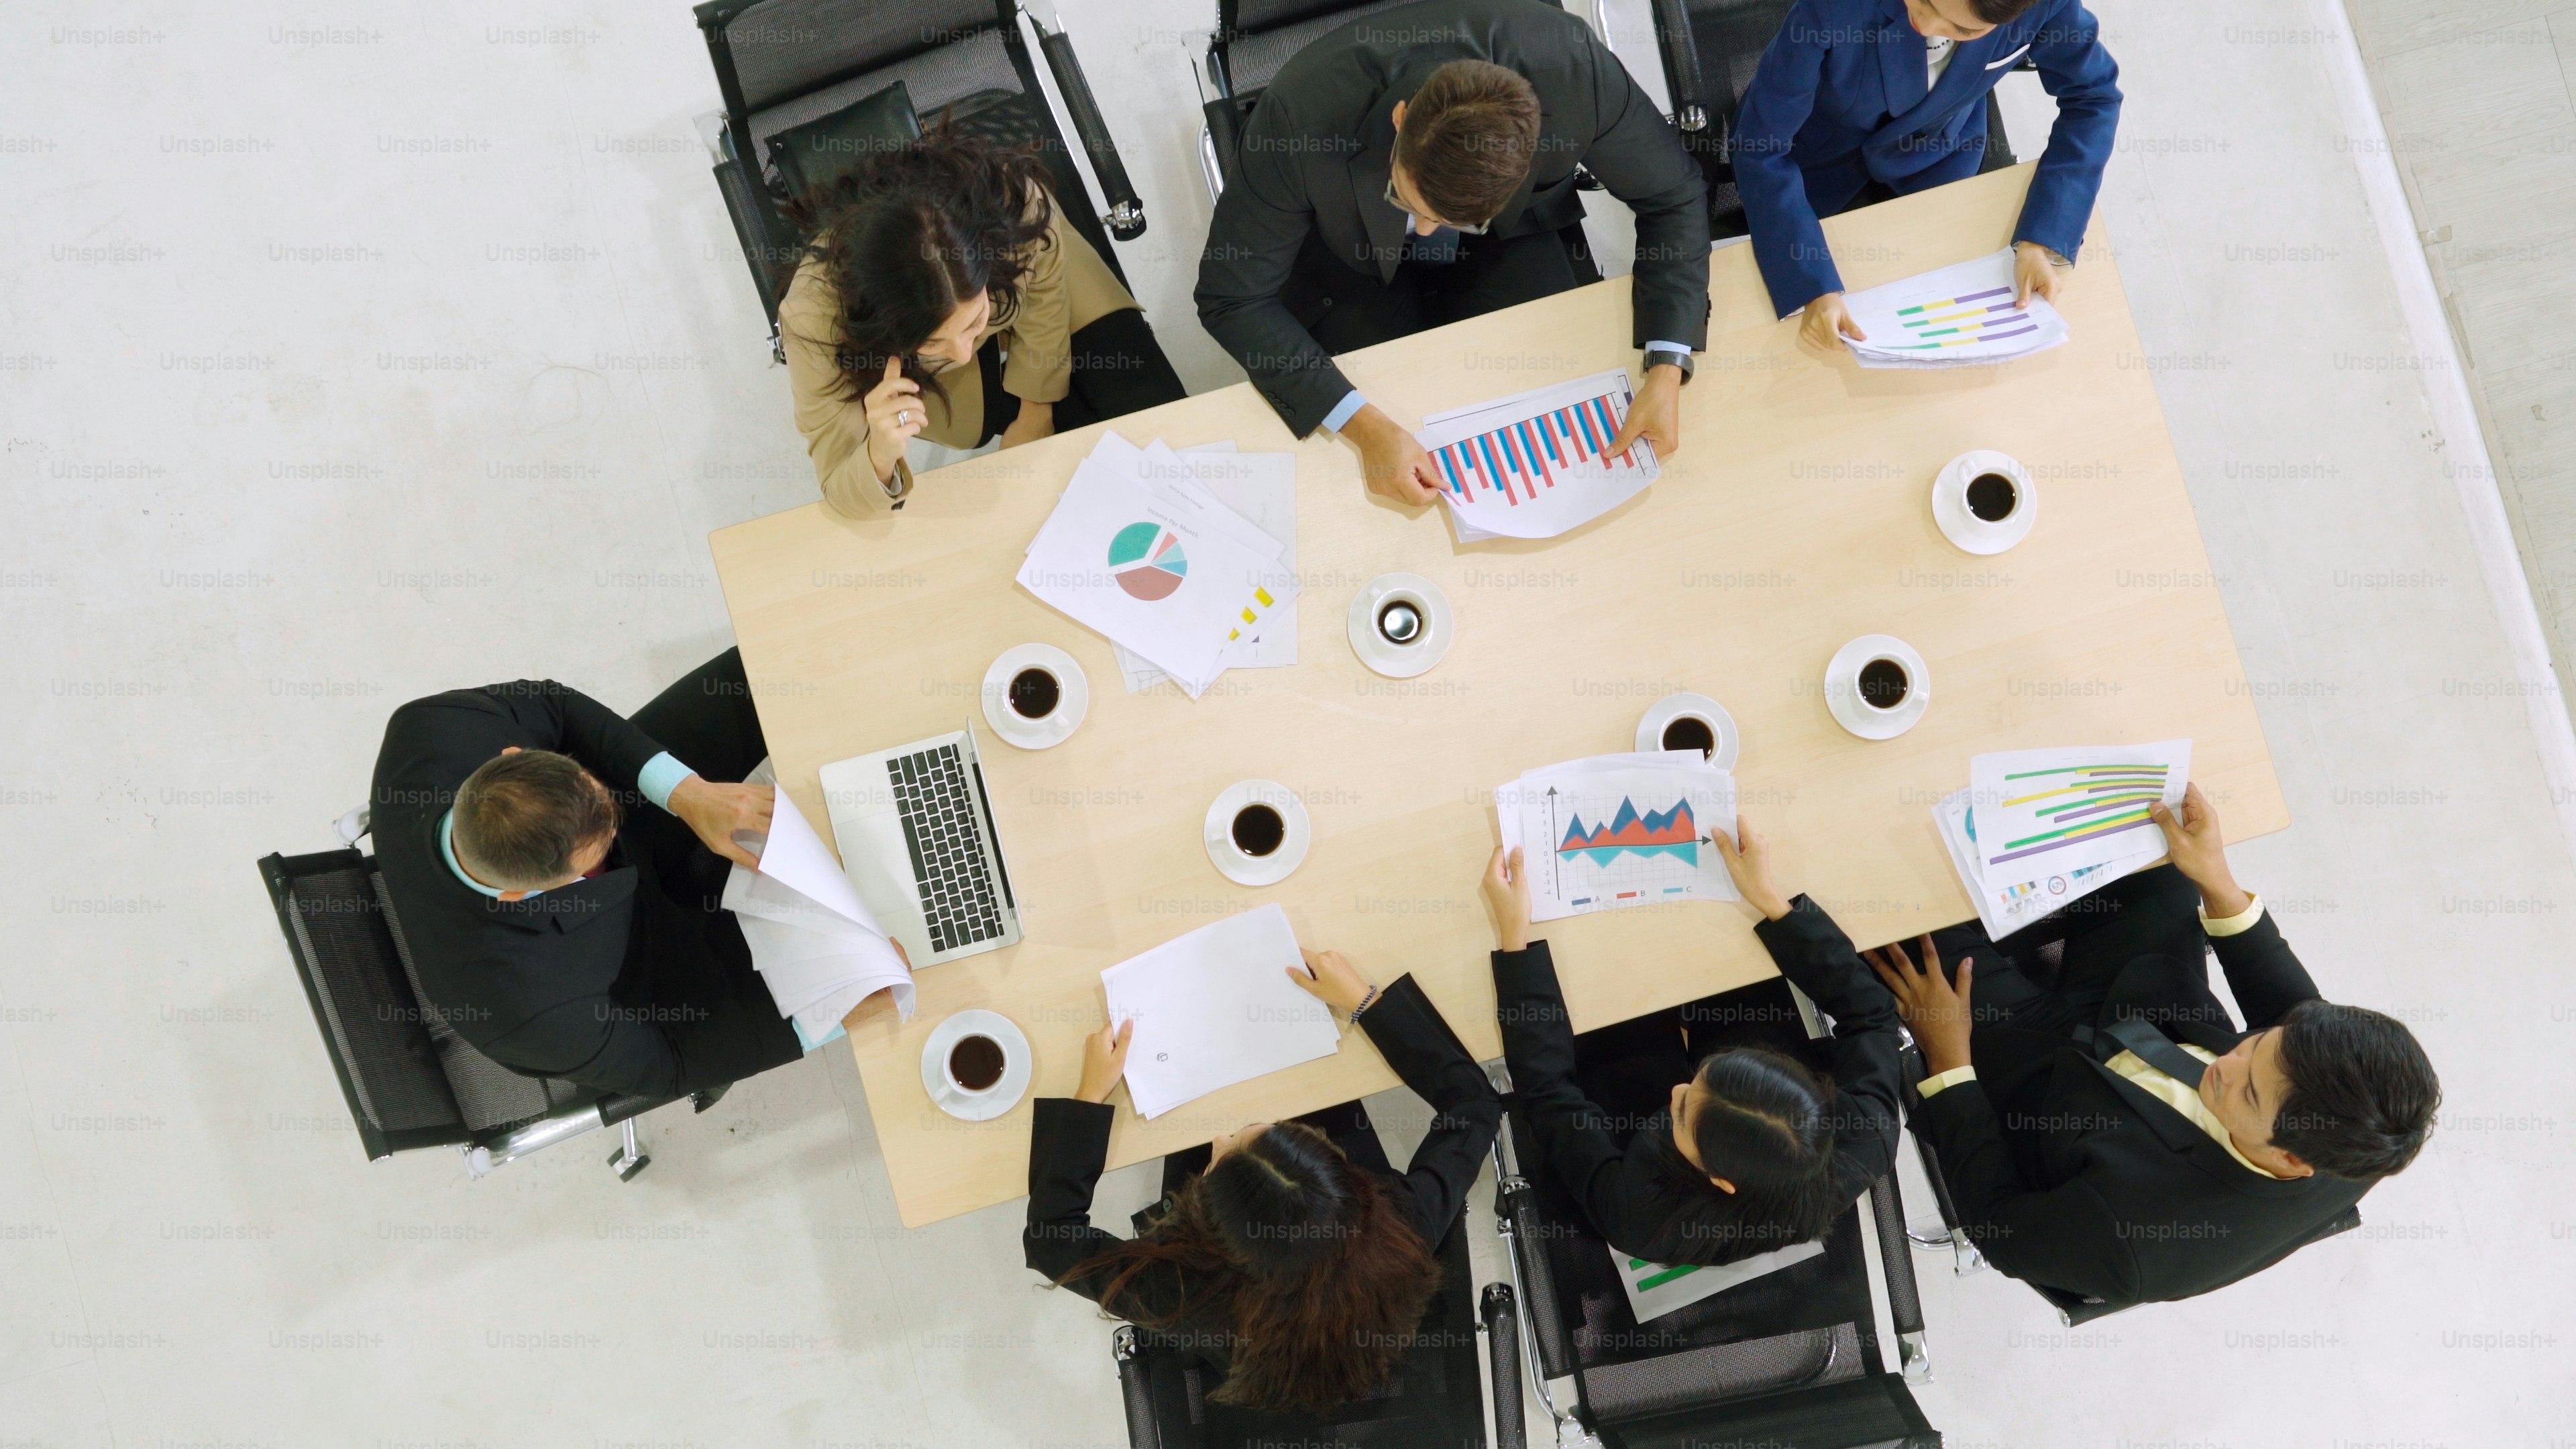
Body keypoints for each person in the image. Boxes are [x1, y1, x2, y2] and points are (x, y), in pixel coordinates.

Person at [1872, 783, 2441, 1310]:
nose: (2230, 1060)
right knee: (2143, 842)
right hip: (2150, 1004)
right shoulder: (2366, 1120)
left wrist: (1948, 1062)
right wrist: (2217, 880)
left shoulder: (2134, 1245)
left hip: (2034, 1083)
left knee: (1895, 905)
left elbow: (1997, 1224)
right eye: (2257, 1044)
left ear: (2292, 1159)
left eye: (2245, 1089)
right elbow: (2293, 1010)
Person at [1196, 0, 1711, 509]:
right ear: (1401, 119)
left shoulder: (1573, 70)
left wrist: (1667, 365)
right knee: (1370, 480)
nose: (1423, 230)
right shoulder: (1296, 116)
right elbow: (1232, 299)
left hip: (1508, 240)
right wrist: (1363, 424)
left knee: (1556, 415)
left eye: (1451, 218)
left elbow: (1673, 196)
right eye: (1408, 200)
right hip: (1346, 263)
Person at [1024, 948, 1500, 1414]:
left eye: (1223, 1150)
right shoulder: (1401, 1226)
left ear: (1208, 1223)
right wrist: (1364, 1001)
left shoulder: (1184, 1293)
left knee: (1187, 1116)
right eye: (1255, 1132)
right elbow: (1476, 1109)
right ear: (1341, 1173)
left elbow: (1052, 1242)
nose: (1219, 1135)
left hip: (1257, 1334)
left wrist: (1089, 1097)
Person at [370, 652, 822, 1099]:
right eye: (597, 849)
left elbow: (555, 705)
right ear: (514, 895)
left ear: (515, 753)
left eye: (591, 786)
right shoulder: (527, 1013)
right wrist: (823, 1019)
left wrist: (686, 794)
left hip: (653, 805)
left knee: (775, 671)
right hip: (652, 963)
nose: (614, 821)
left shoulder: (434, 725)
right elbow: (672, 1065)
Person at [1482, 820, 1904, 1265]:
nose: (1678, 1090)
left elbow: (1547, 1091)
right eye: (1700, 1080)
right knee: (1726, 960)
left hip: (1630, 1124)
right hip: (1734, 1072)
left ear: (1719, 1180)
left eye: (1683, 1110)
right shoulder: (1867, 1135)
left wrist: (1515, 945)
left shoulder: (1639, 1216)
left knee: (1611, 1008)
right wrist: (1773, 902)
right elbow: (1872, 1017)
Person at [777, 124, 1187, 518]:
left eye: (972, 325)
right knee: (1054, 489)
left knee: (1159, 433)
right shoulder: (813, 319)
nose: (960, 353)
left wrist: (1036, 410)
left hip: (1042, 296)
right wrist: (879, 454)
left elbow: (1045, 291)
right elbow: (839, 485)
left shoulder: (1010, 200)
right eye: (935, 342)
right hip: (928, 375)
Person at [1732, 0, 2121, 352]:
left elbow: (2094, 98)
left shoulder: (2048, 5)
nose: (1923, 23)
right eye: (1924, 0)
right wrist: (1811, 285)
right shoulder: (1832, 9)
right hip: (1817, 159)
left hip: (1942, 156)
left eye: (1964, 30)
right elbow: (1759, 146)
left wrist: (2044, 238)